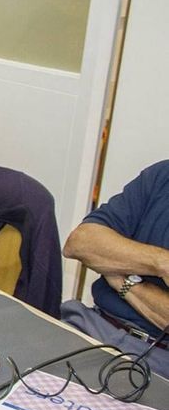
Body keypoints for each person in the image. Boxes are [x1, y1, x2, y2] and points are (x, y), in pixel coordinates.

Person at [61, 161, 169, 377]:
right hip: (90, 324)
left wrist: (122, 281)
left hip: (160, 363)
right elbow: (80, 242)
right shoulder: (162, 175)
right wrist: (161, 262)